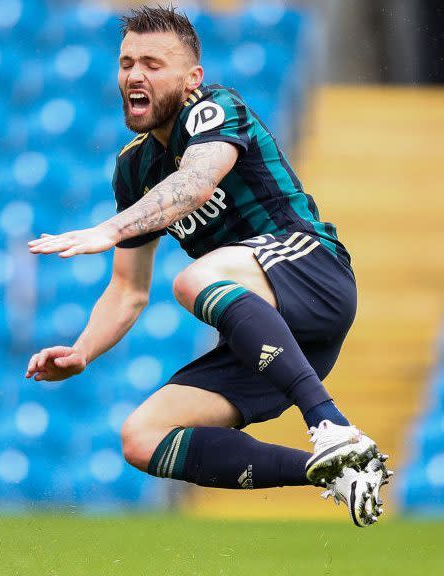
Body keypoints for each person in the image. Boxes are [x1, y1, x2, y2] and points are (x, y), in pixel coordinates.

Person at [25, 6, 390, 526]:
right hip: (268, 333)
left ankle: (330, 424)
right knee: (141, 437)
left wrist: (111, 229)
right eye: (127, 63)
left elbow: (195, 184)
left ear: (192, 77)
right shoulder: (133, 167)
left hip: (313, 274)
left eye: (153, 64)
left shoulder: (216, 108)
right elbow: (128, 290)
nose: (134, 75)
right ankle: (340, 471)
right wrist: (83, 351)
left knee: (194, 278)